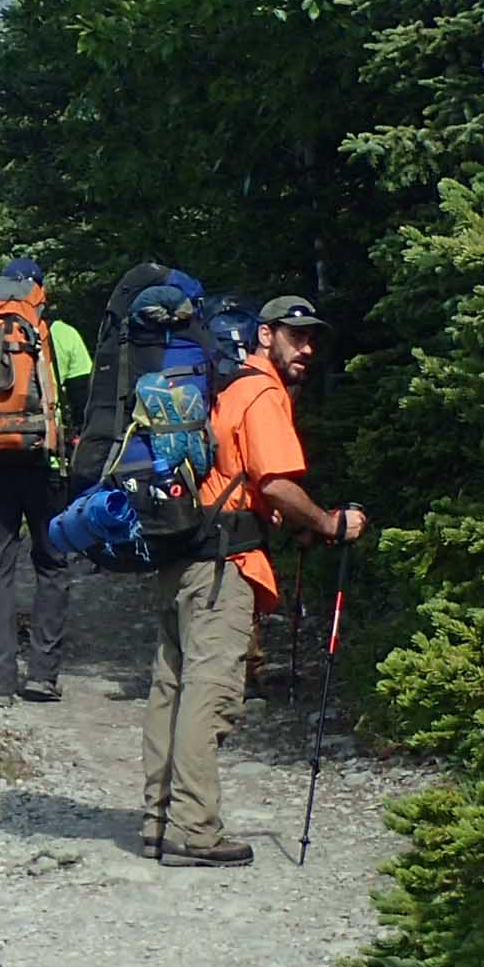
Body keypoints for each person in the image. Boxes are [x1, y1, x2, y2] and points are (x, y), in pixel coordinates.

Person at [142, 293, 366, 866]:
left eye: (313, 337)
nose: (307, 347)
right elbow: (277, 484)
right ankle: (195, 832)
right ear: (264, 336)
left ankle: (158, 820)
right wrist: (329, 523)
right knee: (209, 694)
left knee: (171, 688)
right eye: (295, 336)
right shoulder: (262, 393)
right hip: (223, 566)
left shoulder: (224, 389)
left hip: (181, 557)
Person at [0, 258, 94, 703]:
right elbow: (84, 414)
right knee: (51, 564)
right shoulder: (61, 336)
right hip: (44, 465)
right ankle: (42, 674)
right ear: (40, 295)